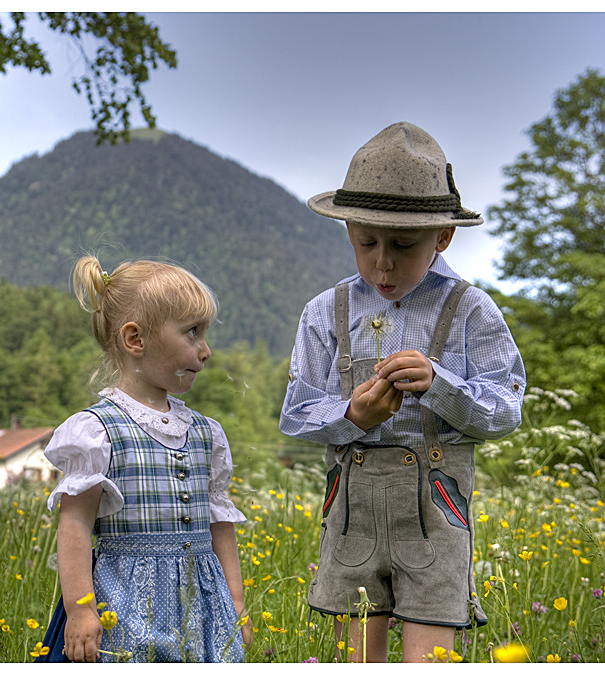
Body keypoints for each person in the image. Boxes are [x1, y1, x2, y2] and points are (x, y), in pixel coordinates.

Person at [280, 122, 526, 663]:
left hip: (437, 513)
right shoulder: (327, 311)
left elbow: (505, 409)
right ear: (348, 229)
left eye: (403, 245)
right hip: (353, 509)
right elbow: (296, 414)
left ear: (443, 237)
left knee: (427, 661)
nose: (383, 262)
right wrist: (352, 413)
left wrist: (442, 385)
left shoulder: (470, 310)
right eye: (366, 242)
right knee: (360, 661)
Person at [37, 256, 253, 663]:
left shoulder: (207, 433)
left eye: (205, 334)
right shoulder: (98, 431)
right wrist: (80, 609)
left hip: (203, 607)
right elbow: (76, 523)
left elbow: (220, 525)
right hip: (123, 603)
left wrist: (237, 606)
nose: (205, 351)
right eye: (192, 333)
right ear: (135, 339)